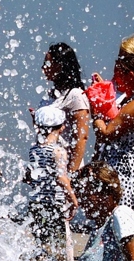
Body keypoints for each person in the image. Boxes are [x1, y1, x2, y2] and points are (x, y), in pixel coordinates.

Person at [90, 36, 134, 212]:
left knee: (122, 226)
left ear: (131, 75)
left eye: (118, 73)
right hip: (117, 172)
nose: (114, 77)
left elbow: (105, 133)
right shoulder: (130, 99)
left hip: (126, 175)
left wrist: (95, 109)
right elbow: (115, 116)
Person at [27, 105, 77, 261]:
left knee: (43, 248)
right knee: (60, 254)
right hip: (53, 207)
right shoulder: (58, 151)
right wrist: (73, 199)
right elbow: (61, 177)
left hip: (37, 205)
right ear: (62, 127)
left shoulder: (34, 150)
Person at [42, 42, 90, 172]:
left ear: (59, 66)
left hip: (66, 167)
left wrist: (72, 173)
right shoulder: (50, 95)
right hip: (47, 166)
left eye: (47, 63)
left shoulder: (75, 95)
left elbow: (81, 137)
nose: (43, 67)